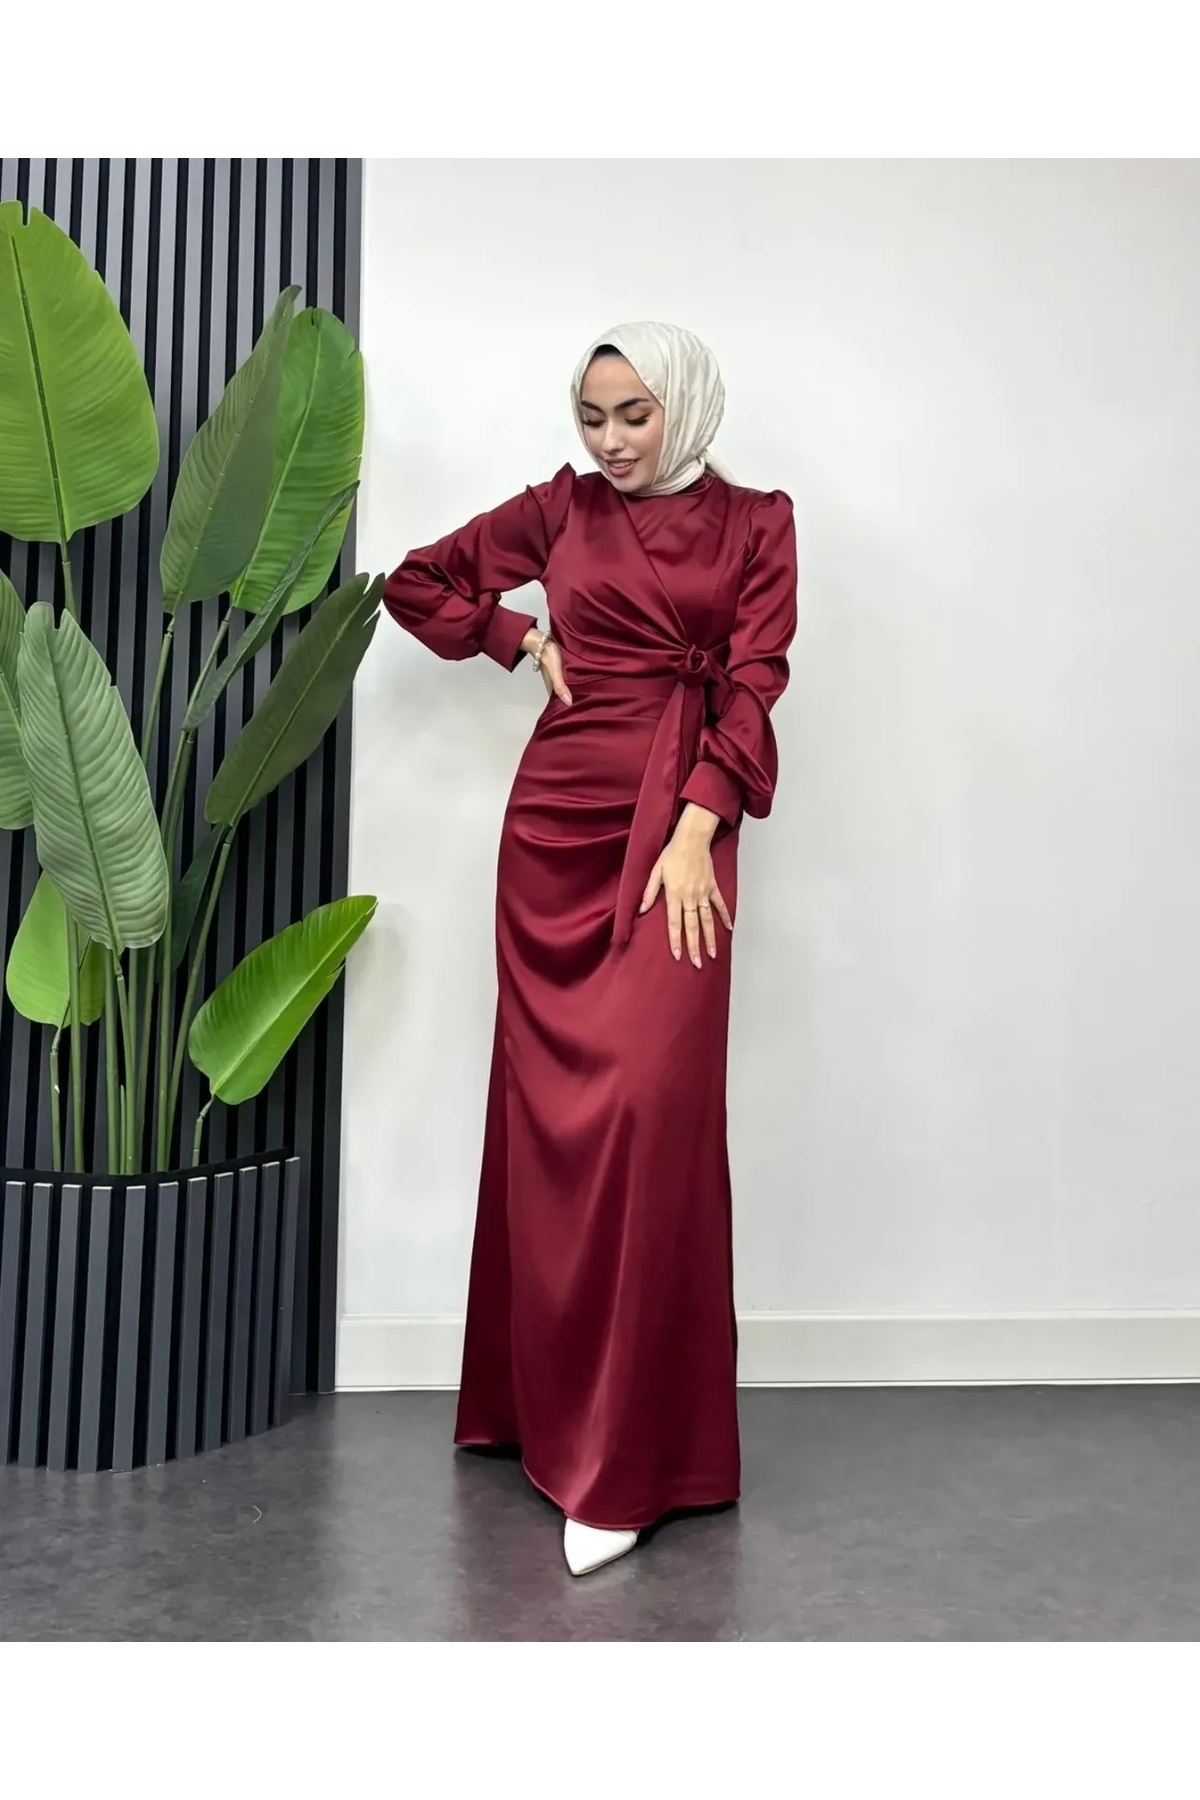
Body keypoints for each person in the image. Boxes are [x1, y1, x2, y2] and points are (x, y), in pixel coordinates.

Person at [382, 320, 799, 1576]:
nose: (611, 440)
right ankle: (538, 1412)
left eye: (635, 414)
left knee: (647, 1118)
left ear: (686, 405)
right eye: (593, 416)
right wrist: (516, 638)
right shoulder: (560, 509)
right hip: (557, 828)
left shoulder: (759, 523)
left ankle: (634, 1462)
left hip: (682, 829)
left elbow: (758, 679)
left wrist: (699, 828)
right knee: (553, 1122)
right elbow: (417, 582)